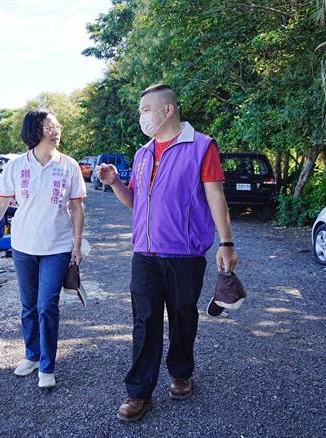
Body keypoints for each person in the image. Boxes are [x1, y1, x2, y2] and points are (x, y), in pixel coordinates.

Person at [98, 84, 239, 422]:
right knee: (144, 321)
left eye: (146, 109)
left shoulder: (201, 146)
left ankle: (180, 372)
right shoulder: (143, 154)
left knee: (183, 316)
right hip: (144, 253)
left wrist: (227, 243)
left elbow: (216, 196)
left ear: (168, 110)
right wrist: (117, 183)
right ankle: (138, 393)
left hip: (184, 254)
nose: (141, 116)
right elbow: (135, 203)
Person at [0, 110, 86, 390]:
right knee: (28, 305)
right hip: (23, 246)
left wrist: (76, 244)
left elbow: (76, 206)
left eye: (57, 125)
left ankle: (47, 366)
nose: (56, 130)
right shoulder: (16, 166)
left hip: (57, 246)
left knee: (47, 305)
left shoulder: (69, 165)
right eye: (50, 126)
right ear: (35, 131)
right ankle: (32, 355)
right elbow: (0, 204)